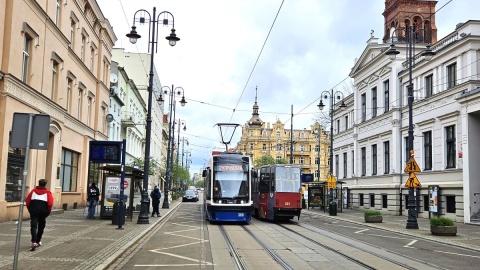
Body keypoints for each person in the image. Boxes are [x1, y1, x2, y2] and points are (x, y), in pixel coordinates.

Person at [25, 179, 54, 250]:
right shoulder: (47, 193)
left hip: (34, 211)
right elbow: (50, 204)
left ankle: (33, 241)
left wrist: (30, 210)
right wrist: (48, 212)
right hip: (43, 212)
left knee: (33, 226)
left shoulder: (33, 192)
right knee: (41, 227)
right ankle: (38, 241)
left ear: (39, 184)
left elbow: (27, 201)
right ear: (45, 185)